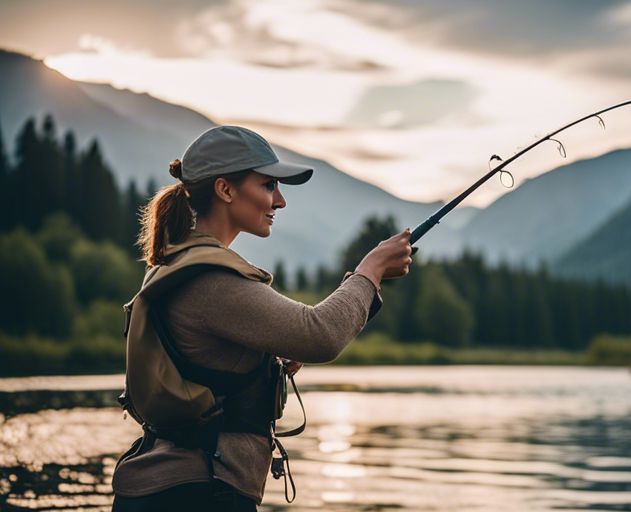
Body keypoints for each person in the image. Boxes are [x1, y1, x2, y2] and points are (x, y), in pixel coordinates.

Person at [111, 125, 413, 511]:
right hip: (198, 493)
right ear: (225, 190)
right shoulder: (211, 280)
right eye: (268, 186)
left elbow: (203, 366)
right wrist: (371, 270)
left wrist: (262, 364)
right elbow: (320, 335)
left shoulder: (178, 265)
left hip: (174, 489)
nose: (281, 201)